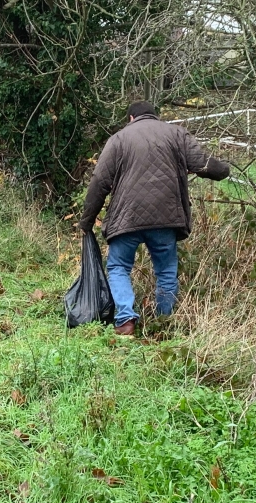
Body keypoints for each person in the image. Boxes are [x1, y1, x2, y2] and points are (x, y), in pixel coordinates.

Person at [79, 101, 230, 335]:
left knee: (119, 266)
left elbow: (99, 183)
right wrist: (224, 170)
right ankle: (163, 321)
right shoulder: (176, 134)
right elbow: (205, 165)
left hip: (126, 217)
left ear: (130, 118)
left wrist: (87, 221)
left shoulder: (118, 139)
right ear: (154, 116)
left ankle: (126, 319)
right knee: (166, 270)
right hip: (166, 218)